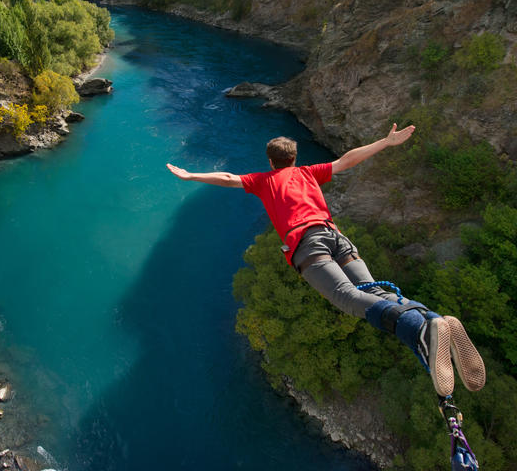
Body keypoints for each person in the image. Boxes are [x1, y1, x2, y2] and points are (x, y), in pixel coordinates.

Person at [167, 124, 486, 397]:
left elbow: (228, 177)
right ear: (294, 158)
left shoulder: (264, 181)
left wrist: (190, 176)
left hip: (306, 243)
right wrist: (386, 142)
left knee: (347, 298)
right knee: (373, 291)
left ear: (271, 161)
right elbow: (347, 161)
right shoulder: (308, 173)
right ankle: (432, 318)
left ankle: (420, 330)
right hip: (336, 236)